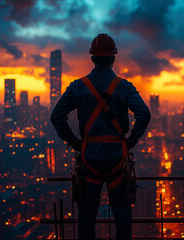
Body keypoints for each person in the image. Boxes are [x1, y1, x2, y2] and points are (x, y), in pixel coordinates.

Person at [50, 33, 151, 240]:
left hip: (90, 159)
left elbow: (56, 116)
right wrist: (132, 140)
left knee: (87, 215)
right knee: (122, 214)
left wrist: (75, 142)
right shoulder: (124, 87)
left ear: (92, 58)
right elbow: (144, 114)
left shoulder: (79, 86)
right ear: (113, 58)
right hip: (117, 159)